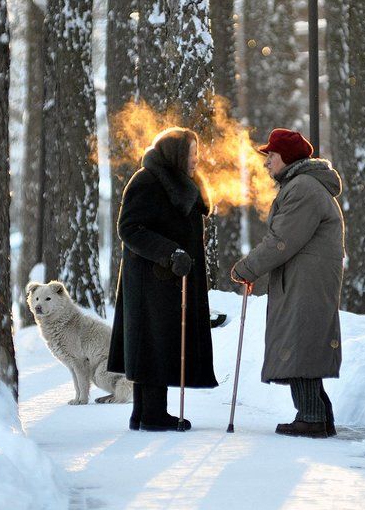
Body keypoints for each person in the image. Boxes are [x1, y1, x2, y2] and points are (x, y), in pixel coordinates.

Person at [231, 128, 345, 439]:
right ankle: (317, 416)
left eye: (271, 155)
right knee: (302, 341)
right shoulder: (301, 186)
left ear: (288, 158)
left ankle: (311, 418)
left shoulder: (303, 189)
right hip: (303, 277)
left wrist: (246, 269)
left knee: (301, 341)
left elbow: (282, 241)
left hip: (306, 280)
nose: (266, 162)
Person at [108, 127, 218, 431]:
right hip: (152, 278)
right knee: (154, 342)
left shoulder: (182, 183)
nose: (196, 159)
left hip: (171, 276)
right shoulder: (147, 181)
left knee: (161, 341)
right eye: (191, 153)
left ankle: (144, 413)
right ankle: (153, 415)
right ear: (176, 154)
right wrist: (170, 252)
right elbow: (129, 228)